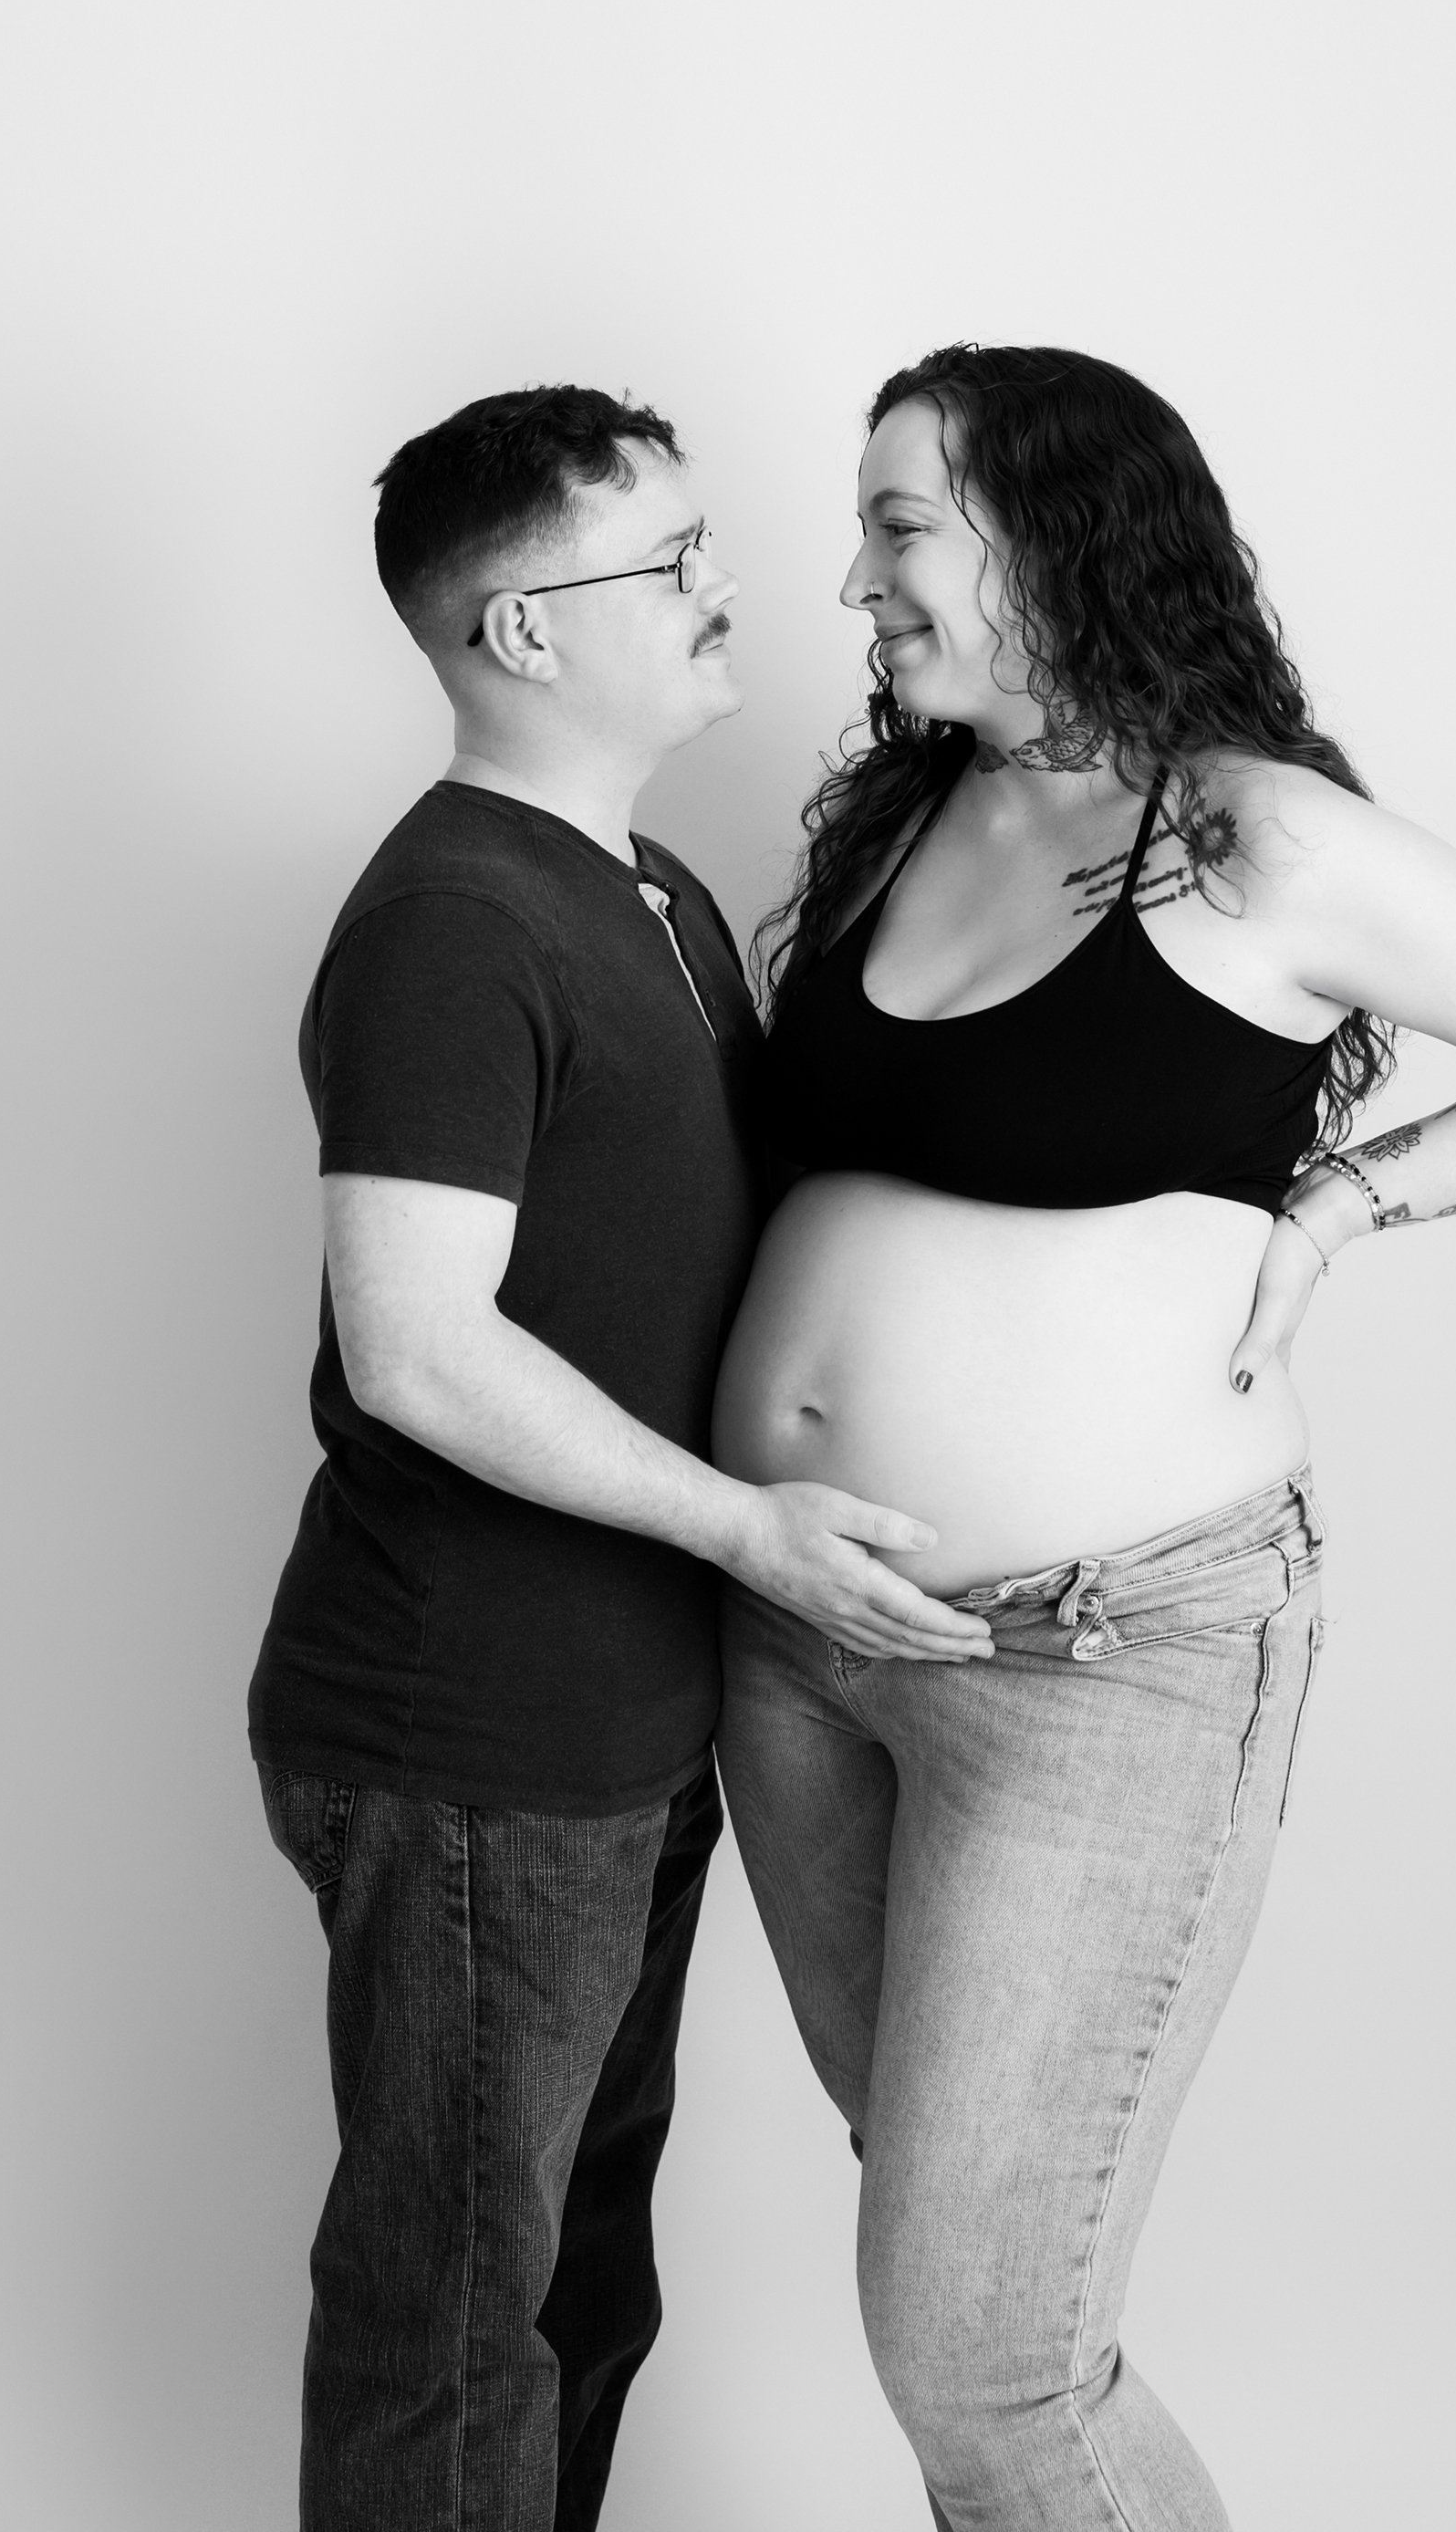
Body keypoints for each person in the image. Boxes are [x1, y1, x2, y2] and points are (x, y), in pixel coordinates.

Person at [712, 342, 1456, 2532]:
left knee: (979, 2352)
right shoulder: (902, 813)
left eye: (897, 529)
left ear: (1052, 534)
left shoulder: (1245, 834)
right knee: (960, 2289)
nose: (855, 583)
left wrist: (1345, 1202)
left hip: (1099, 1665)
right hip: (796, 1648)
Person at [246, 383, 987, 2532]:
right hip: (474, 1733)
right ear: (523, 632)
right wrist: (750, 1523)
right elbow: (415, 1349)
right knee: (459, 2323)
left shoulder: (645, 887)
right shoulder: (452, 921)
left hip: (618, 1725)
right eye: (665, 561)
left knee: (573, 2282)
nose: (720, 585)